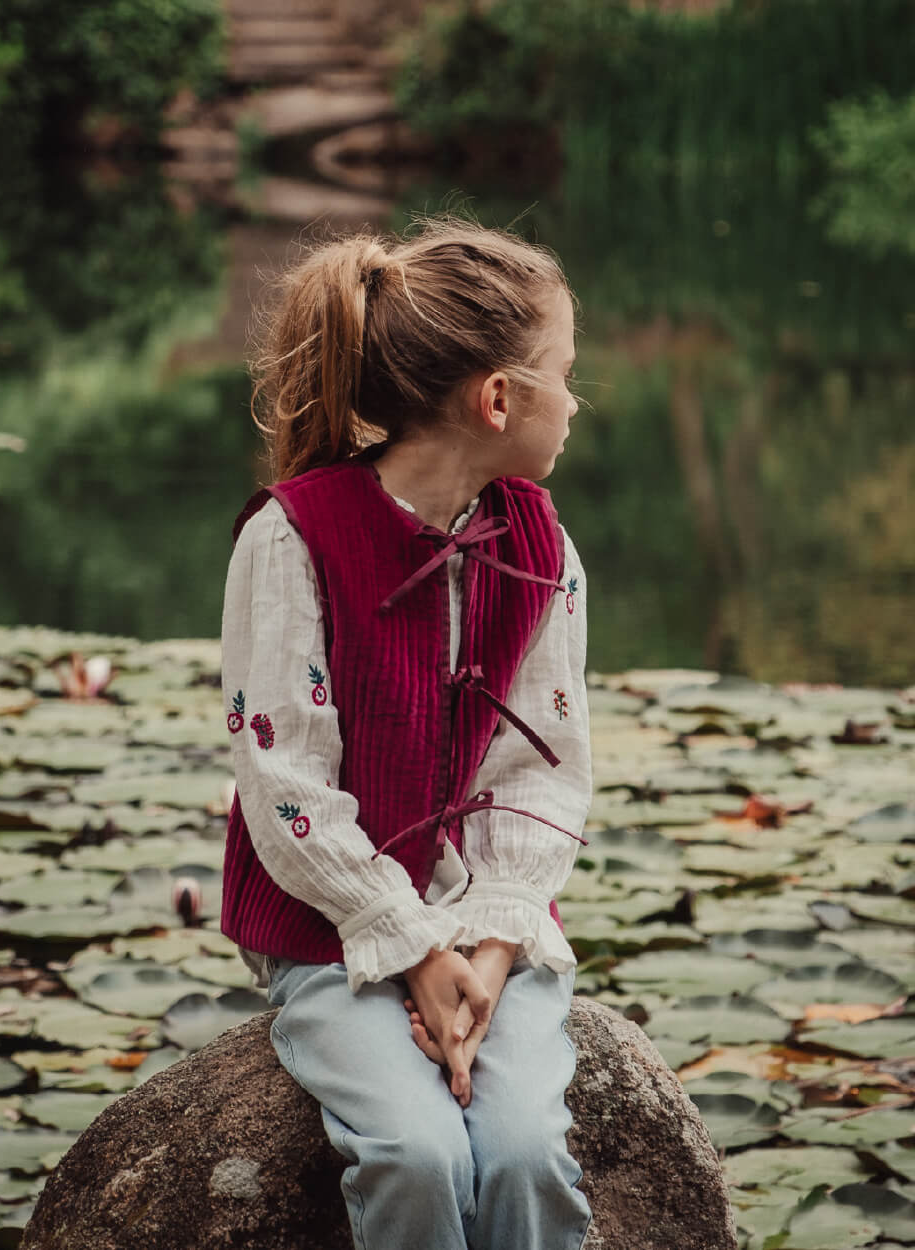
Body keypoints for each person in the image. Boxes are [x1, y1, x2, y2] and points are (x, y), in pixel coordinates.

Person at [220, 216, 593, 1250]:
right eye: (565, 372)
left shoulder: (542, 541)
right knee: (418, 1154)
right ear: (499, 399)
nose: (576, 398)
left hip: (492, 928)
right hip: (331, 926)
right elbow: (284, 778)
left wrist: (489, 933)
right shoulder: (293, 536)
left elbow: (543, 770)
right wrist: (411, 942)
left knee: (521, 1149)